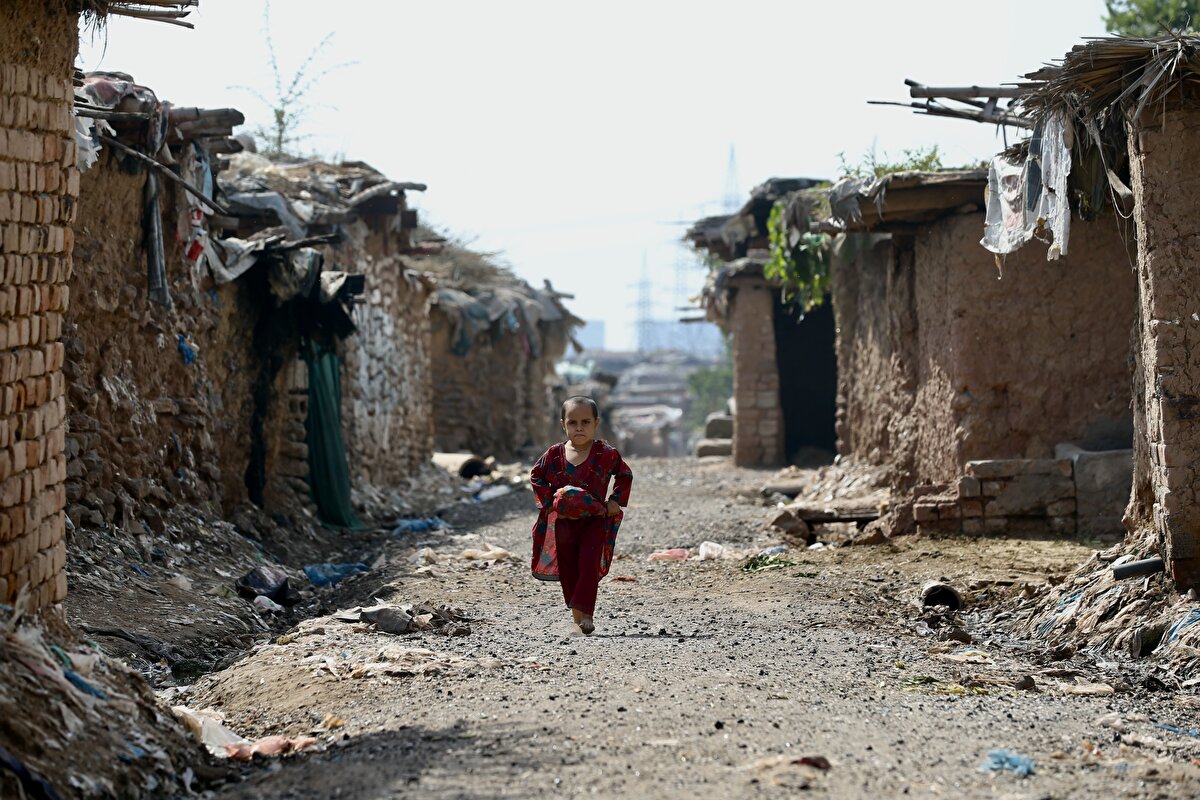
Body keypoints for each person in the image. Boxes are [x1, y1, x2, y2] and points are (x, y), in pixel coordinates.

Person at [530, 395, 633, 635]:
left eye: (585, 422)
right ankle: (576, 617)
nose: (579, 428)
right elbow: (536, 476)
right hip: (564, 523)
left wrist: (615, 500)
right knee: (568, 567)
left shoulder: (606, 454)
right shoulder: (554, 455)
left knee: (588, 564)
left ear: (596, 423)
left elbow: (624, 475)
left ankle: (587, 613)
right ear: (562, 424)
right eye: (573, 422)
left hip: (594, 522)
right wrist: (549, 502)